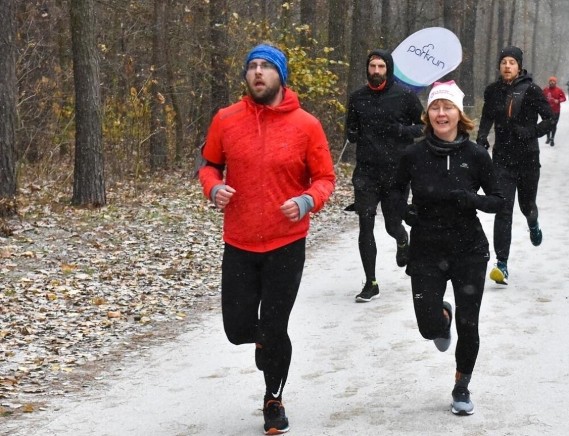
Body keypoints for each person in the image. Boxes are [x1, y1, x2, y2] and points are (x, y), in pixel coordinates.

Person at [198, 43, 336, 435]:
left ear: (281, 75)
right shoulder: (226, 119)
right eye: (252, 67)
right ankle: (265, 343)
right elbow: (209, 165)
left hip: (285, 243)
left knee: (274, 326)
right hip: (240, 241)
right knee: (237, 329)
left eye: (266, 67)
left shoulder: (306, 125)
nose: (257, 72)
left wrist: (308, 200)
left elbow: (325, 178)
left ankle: (273, 399)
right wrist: (213, 188)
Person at [394, 81, 504, 416]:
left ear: (459, 113)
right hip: (426, 248)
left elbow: (498, 200)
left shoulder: (476, 155)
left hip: (468, 249)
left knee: (469, 324)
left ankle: (461, 386)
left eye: (448, 107)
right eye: (436, 107)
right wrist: (405, 212)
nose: (442, 113)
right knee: (429, 327)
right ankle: (441, 315)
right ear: (428, 114)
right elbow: (395, 193)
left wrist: (471, 199)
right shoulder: (413, 155)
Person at [345, 49, 425, 303]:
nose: (376, 71)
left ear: (388, 69)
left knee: (392, 225)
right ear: (367, 69)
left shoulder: (405, 96)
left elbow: (423, 126)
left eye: (381, 66)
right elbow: (350, 129)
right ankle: (371, 282)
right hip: (367, 172)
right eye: (372, 67)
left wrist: (401, 129)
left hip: (396, 172)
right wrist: (353, 133)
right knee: (365, 224)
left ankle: (402, 240)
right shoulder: (357, 98)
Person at [476, 46, 554, 285]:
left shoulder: (531, 90)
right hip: (502, 161)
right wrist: (481, 139)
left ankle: (533, 222)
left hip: (528, 160)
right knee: (503, 210)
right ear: (499, 67)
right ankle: (501, 263)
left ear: (519, 66)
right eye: (503, 62)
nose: (507, 66)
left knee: (526, 205)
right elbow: (487, 117)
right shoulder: (492, 91)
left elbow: (550, 119)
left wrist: (531, 132)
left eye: (512, 62)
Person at [542, 76, 567, 146]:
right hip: (547, 110)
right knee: (547, 124)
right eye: (550, 81)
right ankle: (548, 137)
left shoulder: (559, 90)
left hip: (556, 111)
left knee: (553, 125)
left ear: (555, 82)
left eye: (553, 81)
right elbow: (540, 97)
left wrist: (558, 100)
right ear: (549, 82)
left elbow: (564, 98)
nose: (552, 82)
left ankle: (552, 138)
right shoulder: (545, 90)